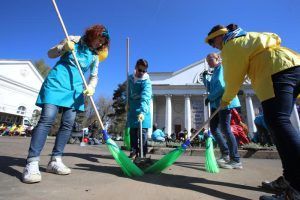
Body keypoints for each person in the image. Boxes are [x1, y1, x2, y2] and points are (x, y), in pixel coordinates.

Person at [205, 23, 300, 199]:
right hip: (292, 64)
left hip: (275, 71)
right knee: (278, 124)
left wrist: (225, 100)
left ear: (219, 36)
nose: (214, 46)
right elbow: (275, 36)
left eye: (212, 42)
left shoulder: (231, 45)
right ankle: (289, 179)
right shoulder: (244, 37)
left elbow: (232, 78)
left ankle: (296, 190)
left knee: (278, 123)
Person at [22, 24, 110, 184]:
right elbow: (50, 54)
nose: (99, 44)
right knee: (47, 118)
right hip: (56, 83)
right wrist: (63, 48)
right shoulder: (73, 40)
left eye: (102, 42)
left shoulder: (95, 56)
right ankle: (32, 162)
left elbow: (94, 76)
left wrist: (91, 87)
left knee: (68, 124)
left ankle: (55, 160)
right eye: (99, 39)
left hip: (75, 90)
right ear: (92, 35)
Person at [203, 53, 242, 169]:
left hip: (225, 102)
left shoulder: (221, 68)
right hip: (216, 103)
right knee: (214, 128)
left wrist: (209, 98)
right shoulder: (215, 71)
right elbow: (210, 87)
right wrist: (205, 78)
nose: (209, 62)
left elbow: (221, 88)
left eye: (210, 59)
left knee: (225, 128)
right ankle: (225, 153)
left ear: (218, 58)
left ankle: (235, 159)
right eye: (207, 60)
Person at [127, 59, 152, 159]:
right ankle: (133, 151)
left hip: (143, 110)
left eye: (144, 71)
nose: (141, 73)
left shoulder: (147, 82)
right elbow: (128, 92)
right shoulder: (130, 78)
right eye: (139, 70)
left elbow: (145, 97)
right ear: (135, 68)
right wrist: (127, 103)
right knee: (132, 132)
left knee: (143, 133)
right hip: (133, 109)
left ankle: (143, 154)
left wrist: (142, 111)